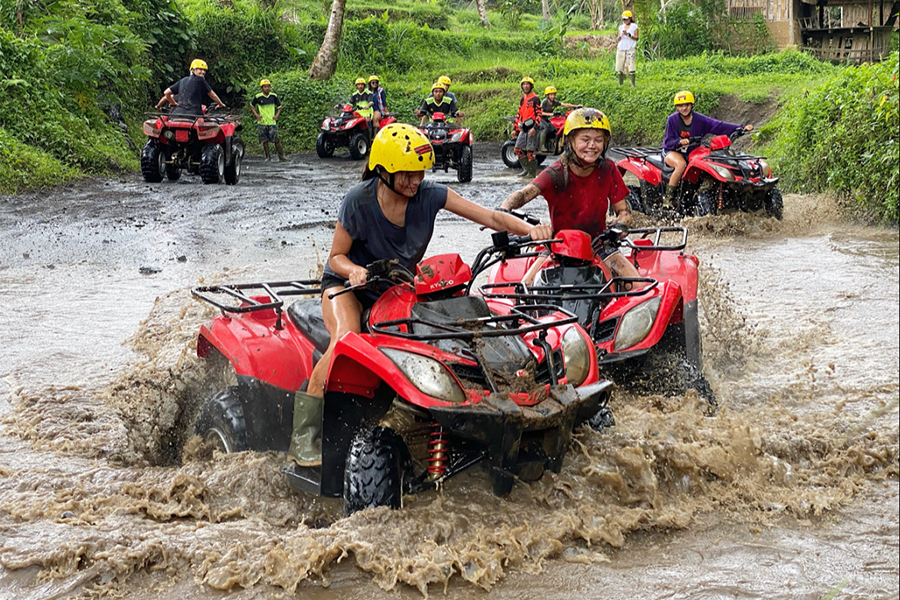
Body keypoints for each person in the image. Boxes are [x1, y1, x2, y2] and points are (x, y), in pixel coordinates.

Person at [287, 123, 551, 467]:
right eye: (406, 175)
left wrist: (532, 230)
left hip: (398, 287)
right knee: (345, 339)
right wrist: (353, 270)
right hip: (348, 287)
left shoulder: (430, 195)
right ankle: (303, 438)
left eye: (420, 173)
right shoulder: (358, 200)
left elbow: (488, 215)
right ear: (383, 171)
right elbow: (336, 256)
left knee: (446, 336)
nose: (415, 181)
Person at [500, 108, 644, 287]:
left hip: (599, 243)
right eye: (585, 139)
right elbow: (523, 194)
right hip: (557, 246)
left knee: (640, 286)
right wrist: (502, 211)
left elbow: (623, 210)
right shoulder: (556, 173)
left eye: (598, 140)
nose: (592, 145)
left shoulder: (608, 169)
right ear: (569, 140)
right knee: (525, 288)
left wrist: (621, 224)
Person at [662, 90, 753, 207]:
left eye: (687, 105)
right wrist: (679, 142)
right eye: (680, 106)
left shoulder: (699, 120)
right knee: (681, 165)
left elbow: (718, 126)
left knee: (710, 161)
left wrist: (741, 128)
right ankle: (668, 199)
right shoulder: (672, 120)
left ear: (692, 105)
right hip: (672, 151)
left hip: (692, 151)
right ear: (676, 107)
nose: (684, 108)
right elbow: (668, 141)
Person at [158, 59, 225, 115]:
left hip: (177, 114)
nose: (203, 72)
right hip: (194, 114)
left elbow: (166, 93)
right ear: (193, 70)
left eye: (204, 70)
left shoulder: (183, 80)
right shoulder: (200, 80)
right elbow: (212, 95)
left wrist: (173, 103)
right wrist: (220, 104)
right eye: (200, 69)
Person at [249, 79, 286, 162]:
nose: (267, 88)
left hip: (272, 122)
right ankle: (267, 157)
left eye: (268, 86)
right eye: (265, 87)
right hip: (262, 122)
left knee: (276, 140)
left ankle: (281, 157)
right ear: (262, 88)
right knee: (264, 140)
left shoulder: (273, 96)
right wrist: (256, 115)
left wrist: (276, 115)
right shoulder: (258, 97)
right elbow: (251, 106)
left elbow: (280, 107)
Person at [513, 76, 543, 179]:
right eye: (523, 84)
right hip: (524, 128)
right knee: (517, 149)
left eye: (527, 84)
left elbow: (539, 114)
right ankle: (526, 169)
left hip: (532, 128)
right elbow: (519, 114)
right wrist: (515, 129)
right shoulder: (523, 99)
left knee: (530, 151)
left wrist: (534, 128)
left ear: (531, 86)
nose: (525, 86)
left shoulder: (535, 99)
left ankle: (532, 172)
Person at [538, 86, 582, 153]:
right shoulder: (545, 102)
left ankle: (551, 146)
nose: (552, 96)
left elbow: (564, 105)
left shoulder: (554, 102)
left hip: (546, 119)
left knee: (554, 130)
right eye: (551, 95)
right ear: (547, 95)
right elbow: (540, 112)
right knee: (545, 128)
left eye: (553, 94)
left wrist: (576, 106)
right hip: (540, 119)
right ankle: (541, 146)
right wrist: (552, 114)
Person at [616, 11, 639, 87]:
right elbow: (618, 38)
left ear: (630, 18)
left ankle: (633, 84)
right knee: (620, 66)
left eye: (626, 19)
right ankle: (620, 84)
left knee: (631, 66)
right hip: (621, 47)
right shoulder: (621, 27)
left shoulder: (634, 26)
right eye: (623, 19)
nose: (625, 21)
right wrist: (620, 37)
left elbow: (636, 38)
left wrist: (629, 35)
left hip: (630, 47)